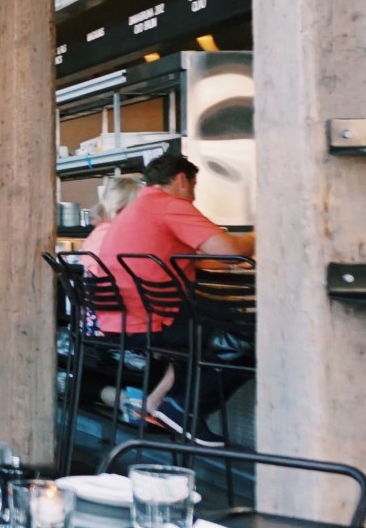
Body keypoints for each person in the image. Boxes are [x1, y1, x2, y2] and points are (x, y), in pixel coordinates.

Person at [93, 153, 254, 440]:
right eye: (193, 188)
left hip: (120, 321)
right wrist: (257, 236)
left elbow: (192, 258)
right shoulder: (169, 205)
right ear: (181, 180)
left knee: (209, 330)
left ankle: (165, 406)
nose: (192, 198)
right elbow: (230, 250)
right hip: (153, 321)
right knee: (248, 337)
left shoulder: (135, 209)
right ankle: (185, 409)